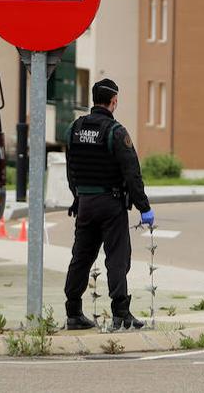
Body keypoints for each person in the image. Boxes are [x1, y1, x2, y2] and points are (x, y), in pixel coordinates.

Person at [63, 79, 154, 331]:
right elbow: (132, 174)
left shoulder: (75, 129)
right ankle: (121, 314)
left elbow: (71, 170)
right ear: (113, 101)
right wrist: (144, 207)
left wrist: (79, 197)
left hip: (85, 203)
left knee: (80, 257)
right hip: (110, 204)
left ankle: (73, 312)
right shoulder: (115, 131)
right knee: (117, 258)